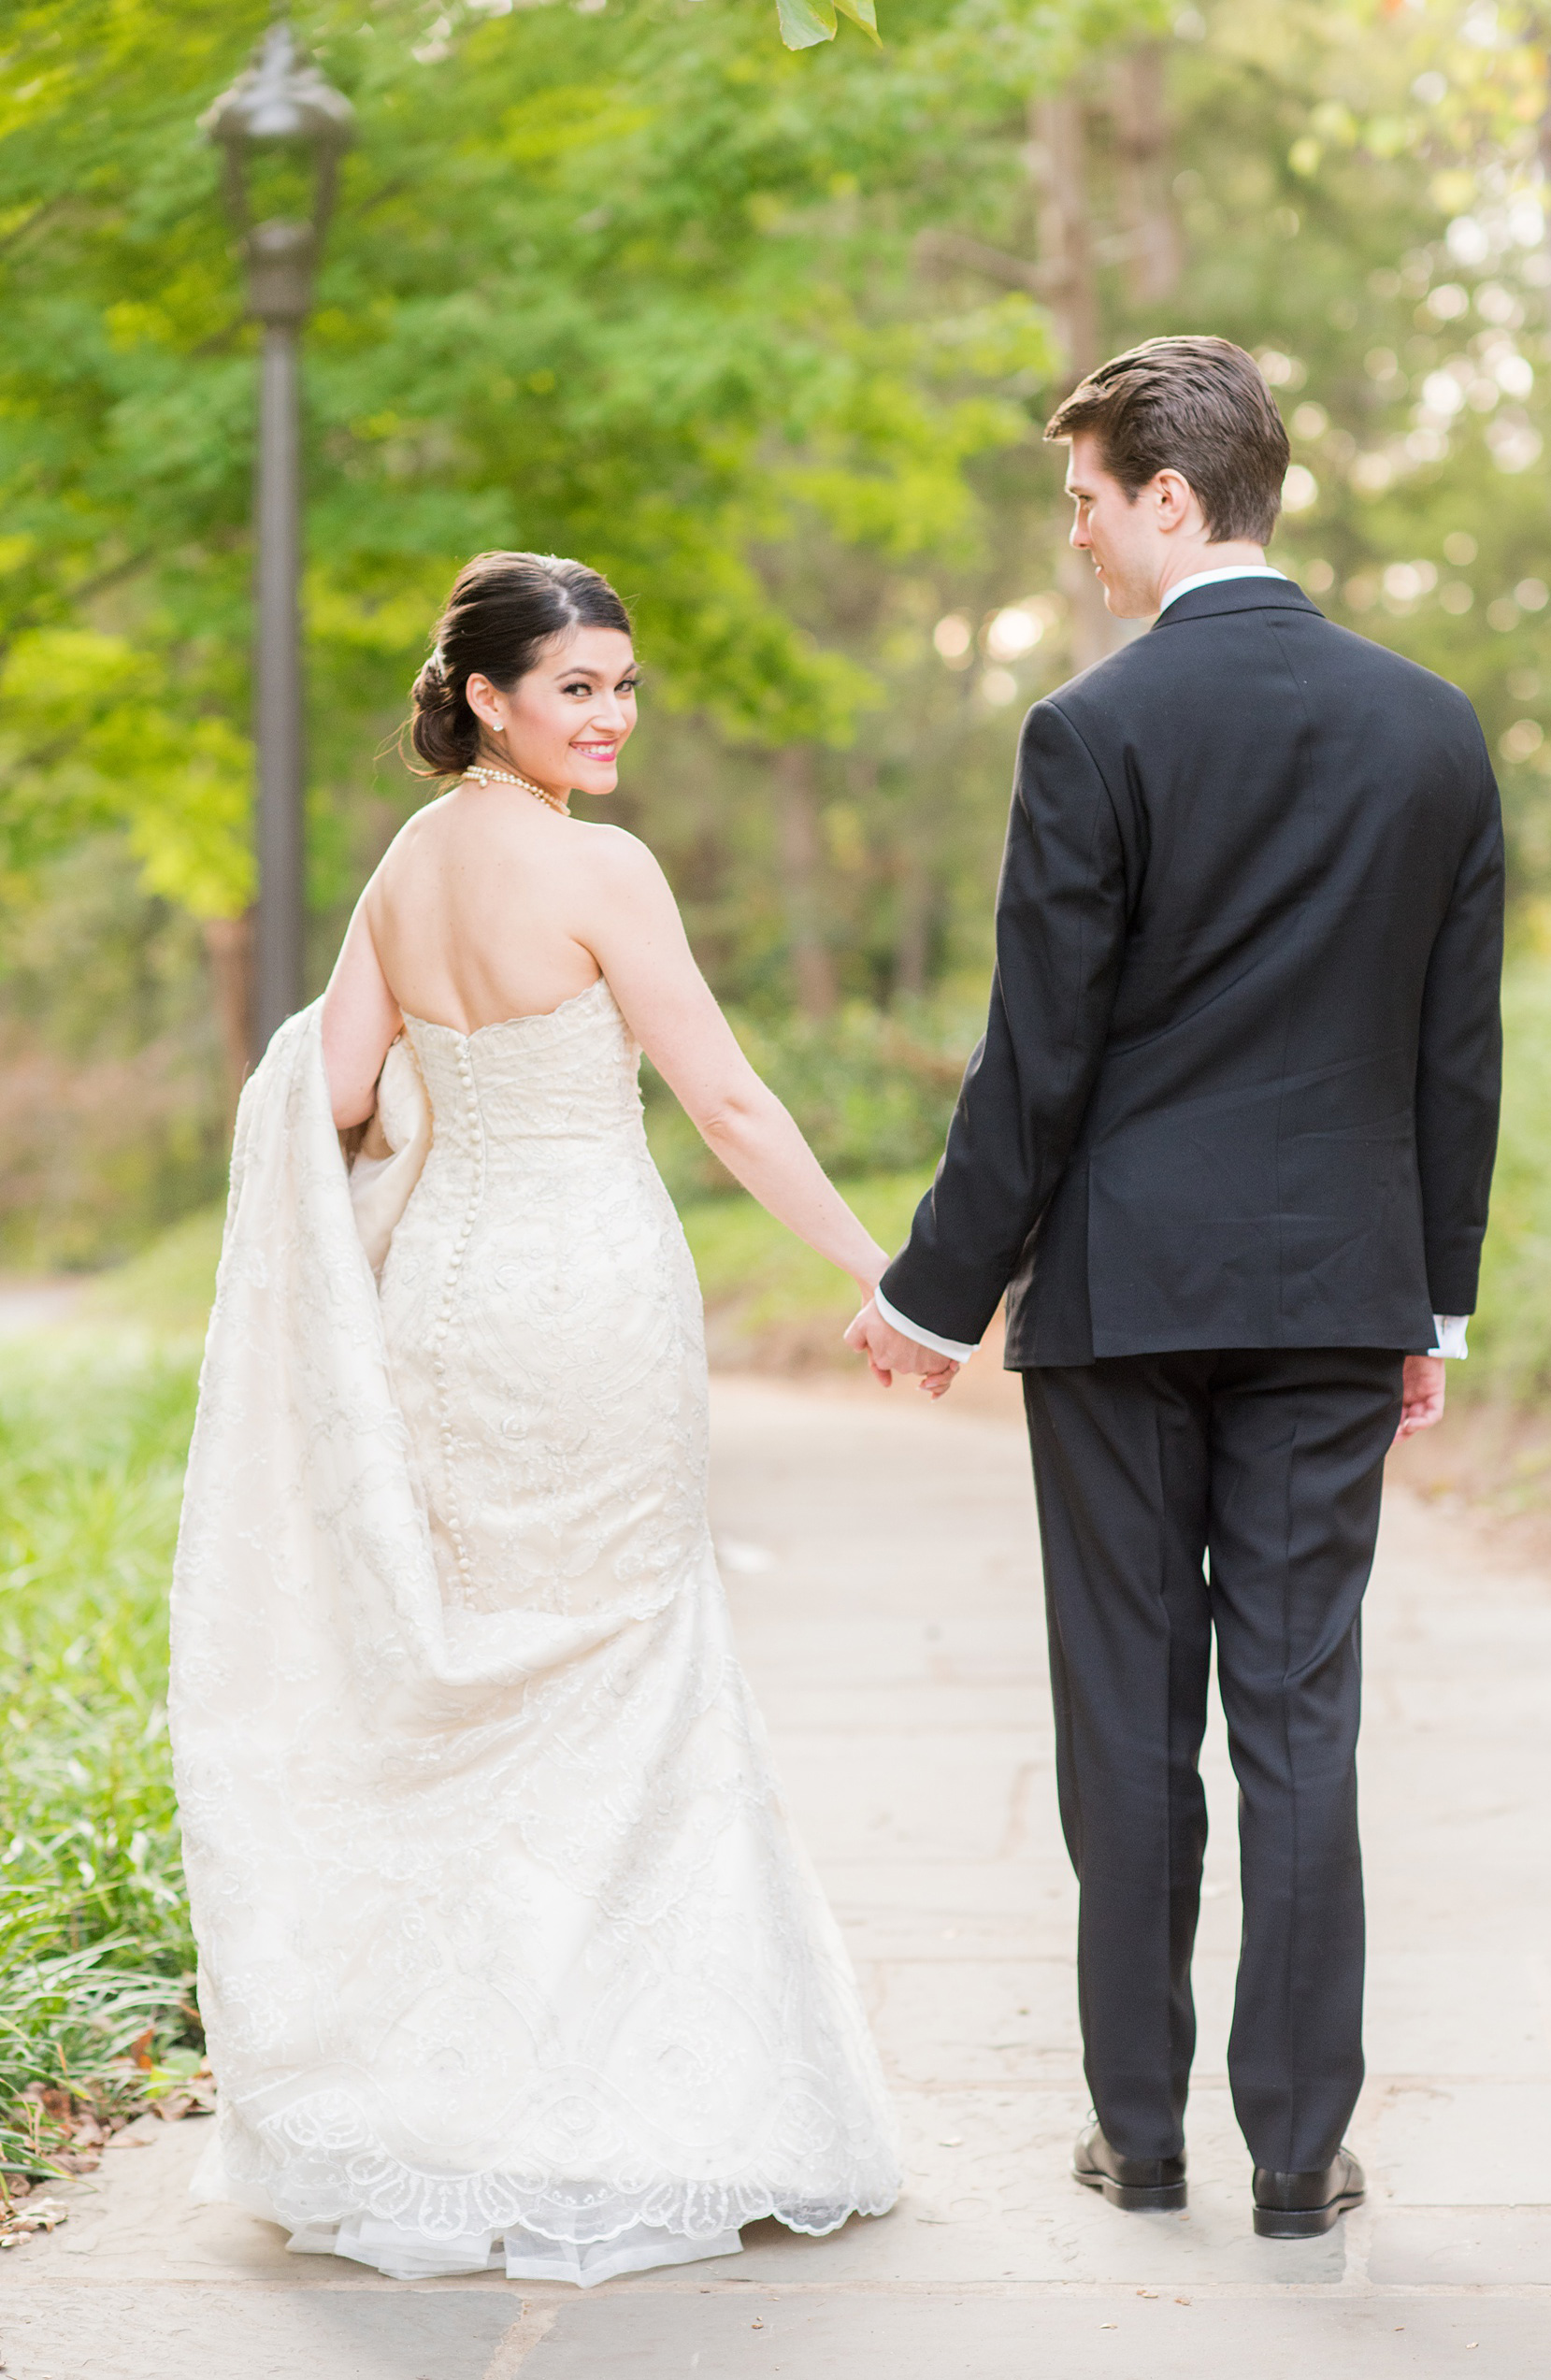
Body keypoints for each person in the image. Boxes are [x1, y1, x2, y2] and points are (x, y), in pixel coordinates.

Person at [169, 551, 906, 2287]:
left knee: (480, 1664)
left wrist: (437, 1081)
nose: (612, 717)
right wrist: (880, 1267)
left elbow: (332, 1097)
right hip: (587, 1299)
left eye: (625, 686)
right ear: (488, 695)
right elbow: (721, 1094)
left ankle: (447, 2093)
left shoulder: (407, 869)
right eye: (578, 687)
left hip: (445, 1302)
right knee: (623, 1659)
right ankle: (628, 2096)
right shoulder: (600, 869)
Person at [847, 336, 1504, 2240]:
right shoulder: (1430, 729)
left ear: (1167, 492)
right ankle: (1296, 2153)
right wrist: (1431, 1305)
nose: (1071, 545)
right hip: (1332, 1294)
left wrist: (930, 1290)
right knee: (1299, 1711)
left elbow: (1034, 1055)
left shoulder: (1093, 730)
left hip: (1125, 1299)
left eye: (1080, 503)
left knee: (1126, 1715)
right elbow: (1449, 1058)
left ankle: (1138, 2132)